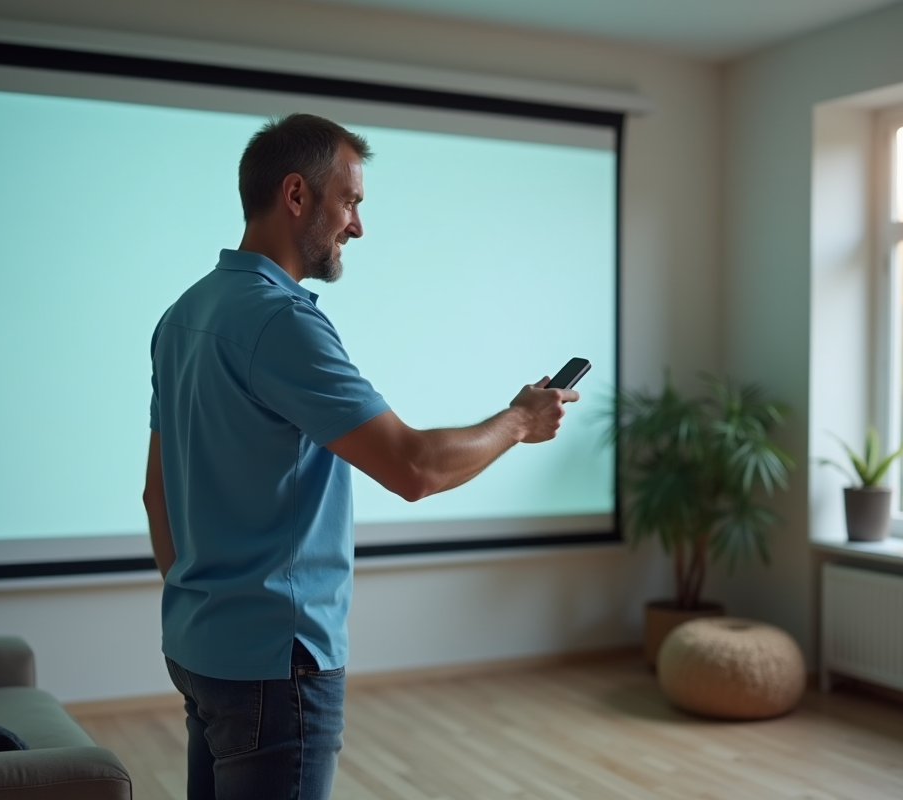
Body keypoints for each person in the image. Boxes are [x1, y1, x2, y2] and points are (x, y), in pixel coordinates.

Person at [142, 113, 580, 800]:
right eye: (349, 201)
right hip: (276, 665)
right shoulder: (281, 320)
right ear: (296, 195)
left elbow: (154, 495)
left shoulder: (183, 316)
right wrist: (519, 421)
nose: (357, 225)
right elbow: (414, 467)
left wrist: (205, 607)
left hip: (200, 650)